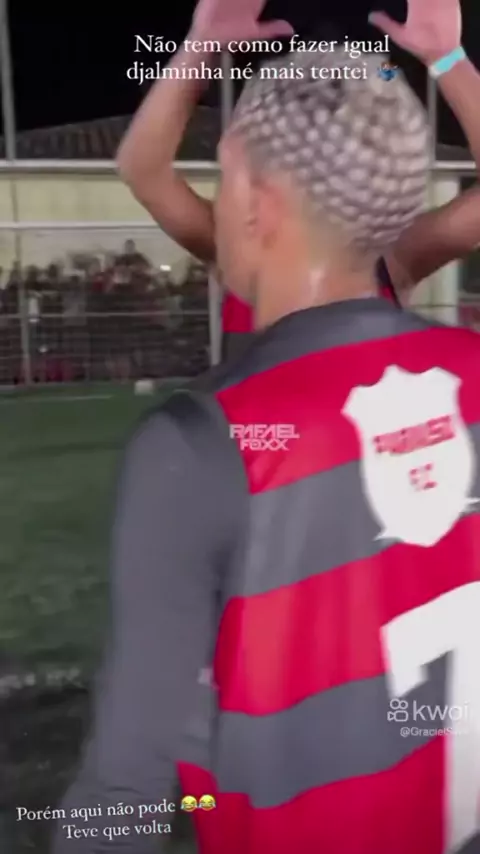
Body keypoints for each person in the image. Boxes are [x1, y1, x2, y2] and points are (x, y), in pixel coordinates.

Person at [53, 4, 480, 852]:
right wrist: (449, 61)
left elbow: (122, 791)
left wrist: (201, 49)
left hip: (273, 486)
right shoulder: (261, 258)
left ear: (258, 199)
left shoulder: (200, 436)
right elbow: (142, 170)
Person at [117, 0, 480, 363]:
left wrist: (449, 59)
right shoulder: (242, 242)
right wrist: (200, 46)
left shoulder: (390, 255)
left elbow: (144, 172)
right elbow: (143, 171)